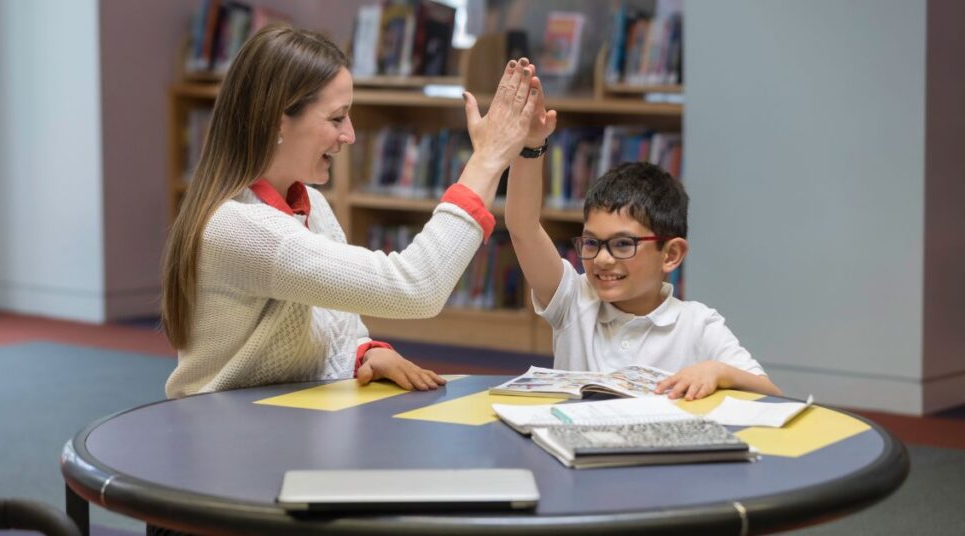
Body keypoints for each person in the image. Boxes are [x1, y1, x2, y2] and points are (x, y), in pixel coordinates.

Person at [161, 24, 538, 398]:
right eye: (337, 117)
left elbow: (338, 325)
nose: (351, 135)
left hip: (277, 420)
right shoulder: (240, 226)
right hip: (220, 437)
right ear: (277, 119)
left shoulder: (311, 204)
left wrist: (363, 352)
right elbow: (417, 287)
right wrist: (486, 162)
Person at [504, 58, 781, 401]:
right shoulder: (573, 300)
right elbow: (523, 228)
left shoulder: (697, 325)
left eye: (622, 244)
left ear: (671, 254)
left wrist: (718, 371)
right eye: (591, 243)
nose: (602, 259)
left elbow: (772, 394)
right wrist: (531, 146)